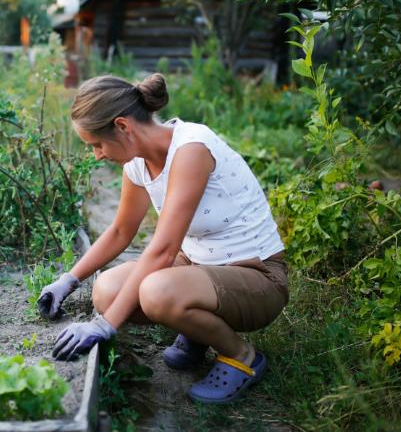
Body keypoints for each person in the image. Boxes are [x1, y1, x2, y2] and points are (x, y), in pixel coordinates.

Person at [38, 73, 288, 404]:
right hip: (200, 267)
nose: (97, 155)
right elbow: (120, 232)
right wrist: (68, 281)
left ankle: (242, 357)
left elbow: (165, 250)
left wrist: (104, 326)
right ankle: (199, 332)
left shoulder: (191, 148)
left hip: (257, 277)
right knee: (107, 292)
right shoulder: (137, 165)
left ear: (123, 126)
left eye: (97, 144)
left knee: (156, 293)